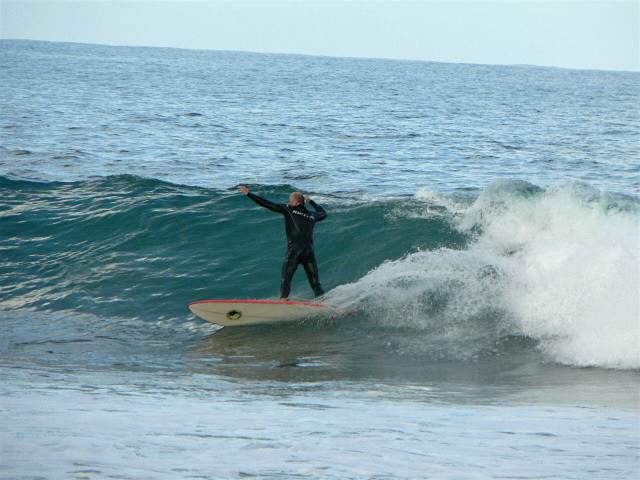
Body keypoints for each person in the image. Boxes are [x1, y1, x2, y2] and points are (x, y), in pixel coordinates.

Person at [238, 185, 327, 299]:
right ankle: (322, 301)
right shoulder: (312, 215)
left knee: (286, 278)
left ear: (295, 202)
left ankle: (284, 300)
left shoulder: (288, 209)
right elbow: (323, 213)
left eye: (290, 201)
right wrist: (311, 202)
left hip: (294, 252)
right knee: (315, 282)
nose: (288, 202)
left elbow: (268, 204)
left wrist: (249, 194)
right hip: (309, 252)